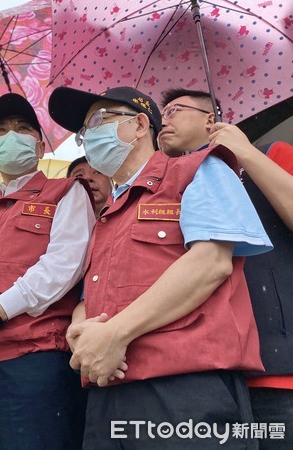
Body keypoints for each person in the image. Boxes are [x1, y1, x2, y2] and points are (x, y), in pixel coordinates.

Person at [48, 85, 272, 448]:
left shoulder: (198, 169)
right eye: (84, 131)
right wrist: (81, 329)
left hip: (184, 389)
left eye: (99, 121)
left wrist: (116, 332)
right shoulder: (106, 214)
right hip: (108, 392)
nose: (90, 136)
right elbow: (94, 295)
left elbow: (211, 263)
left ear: (139, 124)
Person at [0, 93, 96, 449]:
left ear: (40, 147)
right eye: (1, 130)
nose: (12, 135)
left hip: (31, 362)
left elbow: (63, 266)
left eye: (23, 128)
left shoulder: (67, 192)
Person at [160, 88, 293, 449]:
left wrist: (245, 152)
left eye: (174, 109)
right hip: (201, 374)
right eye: (161, 112)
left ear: (210, 119)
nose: (164, 118)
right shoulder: (165, 185)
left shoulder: (269, 154)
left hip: (274, 369)